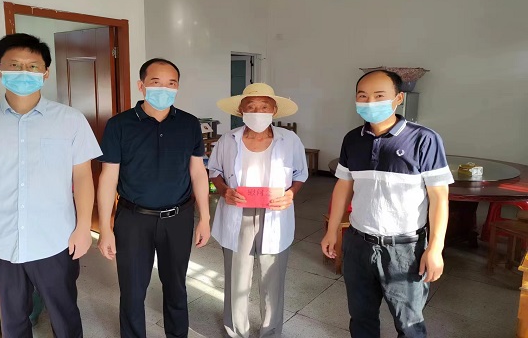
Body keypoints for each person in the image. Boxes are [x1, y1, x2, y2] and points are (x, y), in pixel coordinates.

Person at [0, 33, 102, 338]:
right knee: (12, 318)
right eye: (15, 64)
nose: (24, 72)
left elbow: (83, 177)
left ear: (46, 73)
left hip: (56, 238)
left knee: (65, 313)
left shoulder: (70, 120)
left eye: (33, 66)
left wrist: (84, 227)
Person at [321, 70, 453, 338]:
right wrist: (332, 230)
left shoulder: (424, 139)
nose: (370, 102)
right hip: (358, 244)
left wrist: (435, 248)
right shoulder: (352, 139)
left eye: (379, 95)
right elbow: (343, 186)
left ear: (398, 98)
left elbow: (439, 197)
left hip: (404, 249)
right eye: (363, 96)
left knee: (409, 323)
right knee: (361, 317)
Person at [96, 58, 211, 338]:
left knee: (176, 286)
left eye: (171, 84)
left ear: (178, 87)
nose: (164, 89)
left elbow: (198, 172)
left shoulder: (189, 124)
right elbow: (108, 177)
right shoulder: (119, 125)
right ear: (141, 85)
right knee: (132, 290)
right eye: (156, 82)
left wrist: (205, 218)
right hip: (133, 219)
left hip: (178, 217)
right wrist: (105, 228)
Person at [209, 83, 308, 338]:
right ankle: (236, 330)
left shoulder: (290, 140)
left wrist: (290, 194)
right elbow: (214, 171)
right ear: (241, 110)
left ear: (274, 110)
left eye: (264, 107)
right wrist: (224, 191)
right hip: (237, 213)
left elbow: (300, 174)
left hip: (275, 214)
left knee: (272, 278)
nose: (257, 112)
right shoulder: (228, 140)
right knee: (237, 276)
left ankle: (271, 332)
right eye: (251, 107)